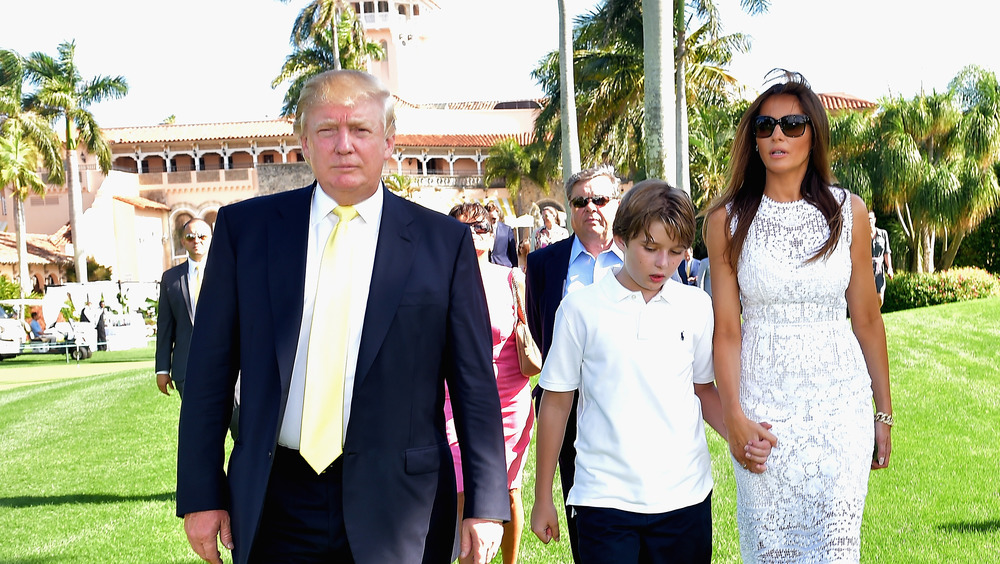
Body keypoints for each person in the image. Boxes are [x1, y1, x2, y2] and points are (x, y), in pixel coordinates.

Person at [175, 70, 509, 564]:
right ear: (304, 143)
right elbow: (209, 374)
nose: (344, 145)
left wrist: (484, 503)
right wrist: (202, 494)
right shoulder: (246, 232)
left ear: (389, 141)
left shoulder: (444, 244)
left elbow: (474, 388)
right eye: (327, 130)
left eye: (361, 129)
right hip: (274, 498)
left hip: (401, 504)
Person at [703, 70, 892, 562]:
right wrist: (735, 418)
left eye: (791, 124)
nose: (777, 136)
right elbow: (726, 331)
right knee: (769, 550)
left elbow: (868, 319)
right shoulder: (727, 220)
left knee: (836, 549)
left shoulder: (849, 211)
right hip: (763, 412)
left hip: (839, 409)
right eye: (765, 127)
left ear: (815, 133)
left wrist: (883, 413)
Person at [531, 180, 771, 563]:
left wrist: (738, 435)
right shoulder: (579, 310)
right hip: (603, 500)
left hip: (685, 499)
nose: (663, 263)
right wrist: (543, 496)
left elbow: (703, 390)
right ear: (622, 238)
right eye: (650, 248)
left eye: (676, 251)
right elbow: (556, 404)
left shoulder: (696, 306)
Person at [524, 164, 623, 563]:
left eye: (600, 199)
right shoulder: (545, 264)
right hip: (570, 411)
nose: (591, 208)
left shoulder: (643, 255)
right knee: (586, 524)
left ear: (617, 202)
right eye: (580, 201)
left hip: (633, 405)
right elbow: (540, 326)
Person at [445, 202, 535, 564]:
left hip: (510, 397)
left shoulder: (513, 279)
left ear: (492, 230)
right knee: (463, 484)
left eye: (480, 226)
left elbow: (532, 331)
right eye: (462, 227)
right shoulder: (441, 281)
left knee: (509, 487)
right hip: (455, 399)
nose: (472, 233)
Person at [155, 218, 213, 398]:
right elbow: (165, 327)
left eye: (202, 236)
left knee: (240, 424)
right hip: (186, 369)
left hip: (227, 367)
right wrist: (162, 369)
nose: (196, 240)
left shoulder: (228, 273)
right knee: (197, 426)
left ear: (211, 238)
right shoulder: (170, 279)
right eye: (190, 237)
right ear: (182, 242)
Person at [870, 211, 894, 306]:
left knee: (879, 297)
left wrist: (890, 268)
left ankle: (876, 311)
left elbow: (887, 253)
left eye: (871, 219)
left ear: (875, 220)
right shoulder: (862, 235)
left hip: (879, 270)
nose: (869, 221)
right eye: (867, 219)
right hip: (866, 271)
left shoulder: (883, 234)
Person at [486, 200, 519, 267]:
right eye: (489, 219)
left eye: (493, 219)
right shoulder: (481, 231)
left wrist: (515, 268)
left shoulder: (507, 230)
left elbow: (513, 253)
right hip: (486, 268)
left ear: (498, 217)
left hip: (504, 266)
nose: (491, 222)